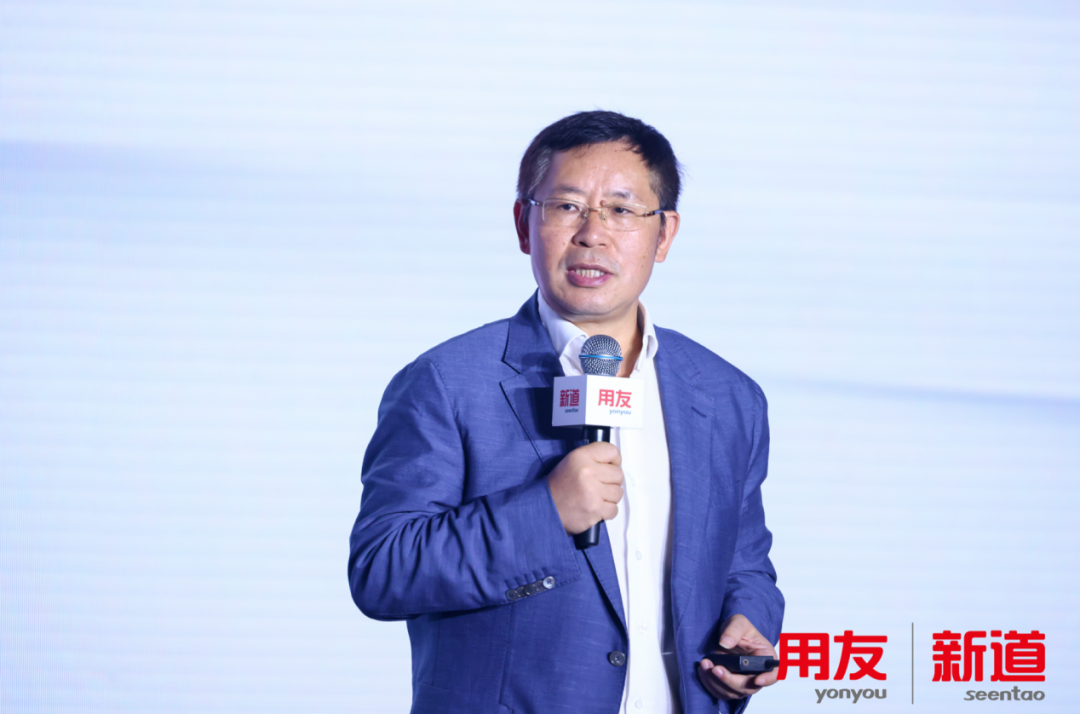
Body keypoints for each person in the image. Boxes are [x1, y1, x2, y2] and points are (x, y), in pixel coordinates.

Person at [348, 110, 784, 714]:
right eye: (567, 206)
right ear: (524, 225)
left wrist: (748, 621)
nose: (592, 234)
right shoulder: (447, 383)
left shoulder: (726, 395)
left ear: (664, 234)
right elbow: (383, 571)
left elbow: (744, 563)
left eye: (622, 210)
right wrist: (546, 512)